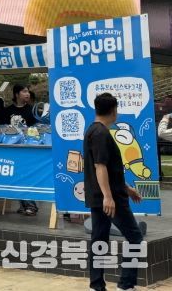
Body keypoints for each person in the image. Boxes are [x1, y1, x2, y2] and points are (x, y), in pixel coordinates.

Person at [84, 92, 144, 291]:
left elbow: (108, 169)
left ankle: (96, 286)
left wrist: (127, 188)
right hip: (110, 199)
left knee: (99, 241)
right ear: (114, 111)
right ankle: (126, 285)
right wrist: (109, 197)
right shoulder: (101, 134)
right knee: (135, 238)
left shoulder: (93, 130)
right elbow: (100, 166)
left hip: (99, 196)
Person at [4, 84, 38, 216]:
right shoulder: (8, 111)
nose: (27, 94)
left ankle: (31, 205)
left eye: (28, 91)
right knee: (17, 176)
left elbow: (37, 129)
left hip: (27, 149)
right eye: (24, 91)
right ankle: (23, 205)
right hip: (12, 149)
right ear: (16, 94)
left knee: (26, 176)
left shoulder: (32, 110)